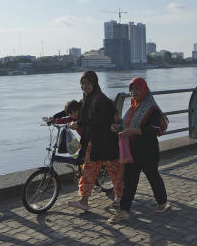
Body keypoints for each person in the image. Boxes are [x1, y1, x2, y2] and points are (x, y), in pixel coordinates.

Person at [109, 77, 168, 223]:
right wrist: (119, 127)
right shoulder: (132, 108)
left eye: (137, 89)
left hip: (148, 150)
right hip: (132, 150)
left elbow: (153, 129)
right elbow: (126, 125)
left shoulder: (151, 108)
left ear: (144, 90)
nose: (133, 92)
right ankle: (124, 210)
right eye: (131, 90)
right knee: (129, 180)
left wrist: (133, 131)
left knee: (153, 177)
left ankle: (162, 202)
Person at [68, 71, 123, 211]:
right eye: (82, 83)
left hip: (107, 141)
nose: (84, 86)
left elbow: (97, 120)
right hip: (94, 142)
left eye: (87, 83)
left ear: (94, 83)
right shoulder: (86, 100)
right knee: (88, 170)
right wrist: (54, 118)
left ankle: (120, 197)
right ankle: (84, 201)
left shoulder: (101, 100)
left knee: (114, 170)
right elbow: (74, 111)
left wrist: (79, 124)